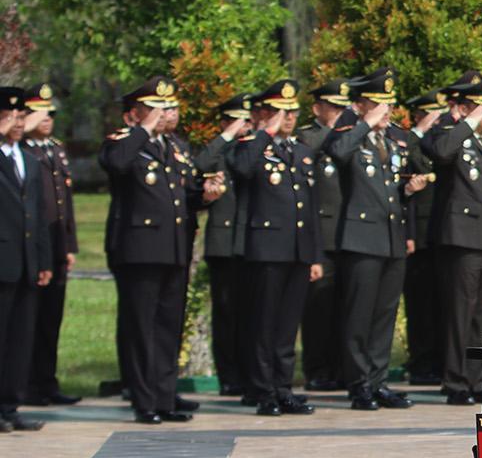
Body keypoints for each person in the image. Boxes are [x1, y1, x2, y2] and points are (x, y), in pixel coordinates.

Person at [101, 76, 209, 423]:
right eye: (153, 109)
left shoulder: (172, 147)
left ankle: (164, 396)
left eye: (165, 108)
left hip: (174, 248)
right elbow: (116, 164)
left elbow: (183, 194)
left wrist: (205, 195)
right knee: (141, 326)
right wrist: (143, 129)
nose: (162, 115)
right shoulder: (124, 142)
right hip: (139, 250)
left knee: (167, 326)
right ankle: (143, 399)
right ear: (133, 114)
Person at [325, 68, 416, 411]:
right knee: (359, 316)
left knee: (384, 316)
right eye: (379, 104)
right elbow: (337, 152)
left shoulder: (388, 141)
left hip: (391, 237)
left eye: (388, 105)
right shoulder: (352, 132)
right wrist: (364, 122)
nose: (387, 112)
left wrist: (406, 190)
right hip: (361, 239)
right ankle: (359, 384)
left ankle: (378, 381)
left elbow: (386, 191)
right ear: (362, 105)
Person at [230, 80, 320, 416]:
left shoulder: (298, 151)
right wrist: (265, 132)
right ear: (265, 113)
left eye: (293, 111)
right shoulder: (251, 145)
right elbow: (241, 169)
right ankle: (263, 390)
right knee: (263, 324)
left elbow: (309, 207)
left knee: (286, 326)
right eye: (282, 111)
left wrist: (314, 255)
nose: (289, 117)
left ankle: (283, 388)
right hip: (266, 249)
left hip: (296, 250)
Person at [424, 75, 482, 405]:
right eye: (480, 107)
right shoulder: (448, 134)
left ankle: (479, 379)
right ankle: (456, 380)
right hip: (461, 238)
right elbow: (441, 153)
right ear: (462, 108)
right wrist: (466, 122)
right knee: (460, 311)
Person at [22, 83, 78, 407]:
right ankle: (28, 382)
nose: (46, 119)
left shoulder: (55, 149)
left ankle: (47, 380)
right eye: (38, 113)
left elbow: (64, 202)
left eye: (50, 113)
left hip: (56, 243)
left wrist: (69, 245)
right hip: (33, 244)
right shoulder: (22, 149)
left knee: (51, 319)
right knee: (32, 316)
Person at [0, 86, 52, 432]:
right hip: (2, 260)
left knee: (20, 338)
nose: (17, 122)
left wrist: (44, 259)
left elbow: (38, 214)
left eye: (20, 116)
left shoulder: (29, 160)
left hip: (26, 261)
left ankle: (10, 405)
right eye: (8, 116)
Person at [197, 93, 253, 397]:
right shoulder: (218, 150)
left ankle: (250, 372)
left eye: (247, 120)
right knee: (227, 311)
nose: (244, 126)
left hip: (254, 240)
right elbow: (199, 165)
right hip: (225, 241)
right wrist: (227, 135)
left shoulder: (255, 147)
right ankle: (229, 375)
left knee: (252, 313)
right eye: (237, 120)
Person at [298, 79, 352, 391]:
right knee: (319, 308)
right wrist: (335, 130)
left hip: (352, 231)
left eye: (343, 108)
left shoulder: (353, 136)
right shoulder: (308, 135)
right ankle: (317, 369)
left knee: (348, 307)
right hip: (324, 231)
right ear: (318, 108)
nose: (339, 114)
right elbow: (310, 155)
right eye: (333, 108)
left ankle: (344, 368)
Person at [401, 91, 449, 388]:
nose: (436, 120)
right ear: (419, 115)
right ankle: (421, 361)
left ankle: (441, 359)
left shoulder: (441, 141)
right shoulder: (410, 141)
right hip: (418, 232)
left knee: (441, 301)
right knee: (420, 302)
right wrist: (419, 131)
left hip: (442, 229)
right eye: (431, 115)